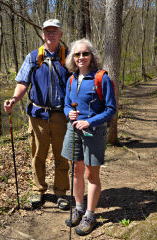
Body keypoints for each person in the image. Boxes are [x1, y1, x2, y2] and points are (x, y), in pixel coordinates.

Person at [4, 19, 71, 210]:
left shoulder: (69, 57)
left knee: (62, 155)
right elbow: (23, 82)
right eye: (47, 31)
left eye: (54, 31)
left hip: (61, 115)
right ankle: (38, 190)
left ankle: (61, 192)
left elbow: (78, 83)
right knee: (38, 154)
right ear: (42, 35)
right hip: (38, 115)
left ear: (60, 34)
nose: (50, 34)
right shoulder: (33, 57)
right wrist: (14, 99)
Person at [61, 38, 116, 235]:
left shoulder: (102, 78)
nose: (81, 57)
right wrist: (69, 112)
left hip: (94, 132)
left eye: (85, 53)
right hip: (73, 129)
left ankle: (90, 215)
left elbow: (111, 109)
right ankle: (79, 208)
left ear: (92, 56)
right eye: (77, 54)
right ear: (72, 58)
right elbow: (67, 104)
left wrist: (90, 121)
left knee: (91, 174)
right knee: (76, 170)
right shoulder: (71, 79)